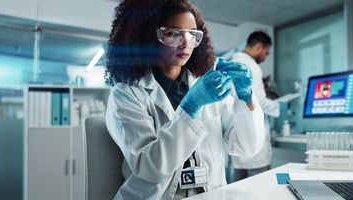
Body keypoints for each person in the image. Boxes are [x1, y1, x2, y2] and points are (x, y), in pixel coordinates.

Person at [104, 0, 265, 199]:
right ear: (148, 36)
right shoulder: (127, 94)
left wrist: (246, 96)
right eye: (174, 33)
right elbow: (150, 167)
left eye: (192, 34)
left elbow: (246, 147)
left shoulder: (207, 87)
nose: (186, 42)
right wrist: (191, 106)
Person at [230, 31, 280, 182]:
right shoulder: (251, 66)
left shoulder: (233, 62)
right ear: (259, 47)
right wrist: (278, 106)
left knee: (236, 191)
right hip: (254, 144)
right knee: (259, 191)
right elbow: (259, 101)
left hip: (238, 143)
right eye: (266, 52)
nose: (264, 57)